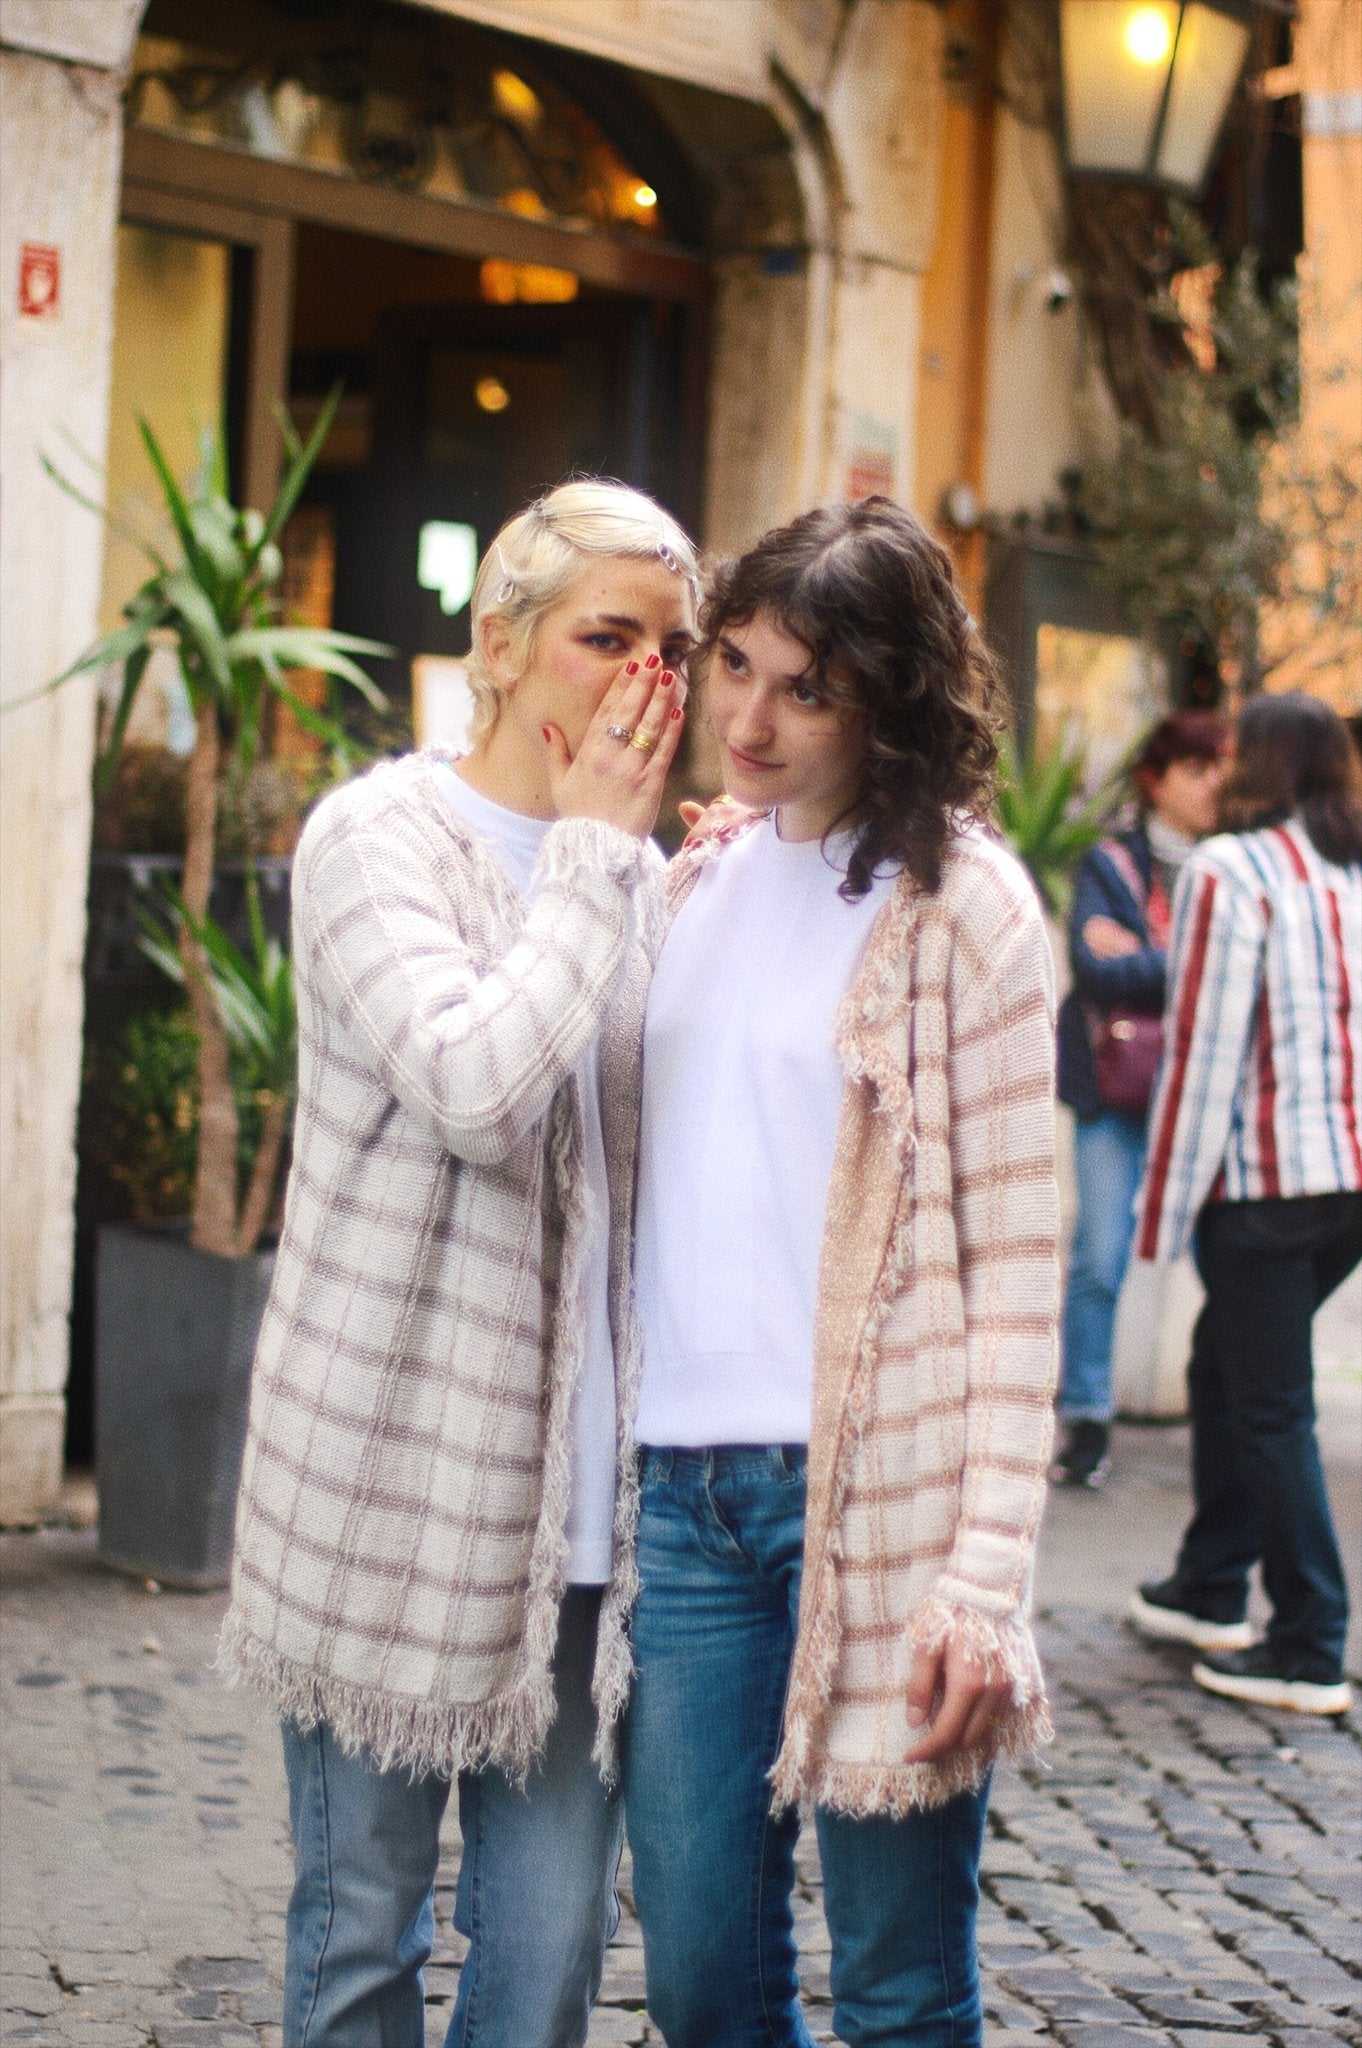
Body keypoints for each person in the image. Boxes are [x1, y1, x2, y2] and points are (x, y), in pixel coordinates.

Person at [219, 479, 700, 2046]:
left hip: (584, 1521)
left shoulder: (654, 872)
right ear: (499, 644)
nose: (640, 682)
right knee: (361, 1932)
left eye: (670, 649)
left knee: (552, 1957)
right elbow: (480, 1091)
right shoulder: (377, 839)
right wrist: (593, 861)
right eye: (602, 637)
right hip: (387, 1486)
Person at [621, 497, 1060, 2048]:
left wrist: (984, 1574)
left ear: (889, 699)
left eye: (804, 688)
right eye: (734, 663)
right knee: (697, 1973)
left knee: (894, 1987)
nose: (748, 717)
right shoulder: (693, 879)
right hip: (685, 1502)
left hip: (878, 1498)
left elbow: (1017, 1266)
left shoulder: (964, 910)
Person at [1128, 692, 1362, 1717]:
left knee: (1269, 1403)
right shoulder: (1349, 876)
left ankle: (1311, 1637)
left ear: (1258, 764)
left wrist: (1159, 1217)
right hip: (1349, 1182)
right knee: (1224, 1366)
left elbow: (1200, 1059)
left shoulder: (1232, 872)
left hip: (1266, 1188)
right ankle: (1209, 1580)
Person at [1051, 714, 1228, 1488]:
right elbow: (1097, 970)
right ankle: (1086, 1418)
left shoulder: (1231, 864)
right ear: (1157, 778)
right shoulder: (1113, 861)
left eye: (1220, 767)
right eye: (1197, 768)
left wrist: (1151, 958)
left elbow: (1224, 974)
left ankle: (1229, 1420)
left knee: (1227, 1256)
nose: (1213, 784)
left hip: (1206, 1088)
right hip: (1117, 1087)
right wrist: (1189, 961)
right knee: (1099, 1257)